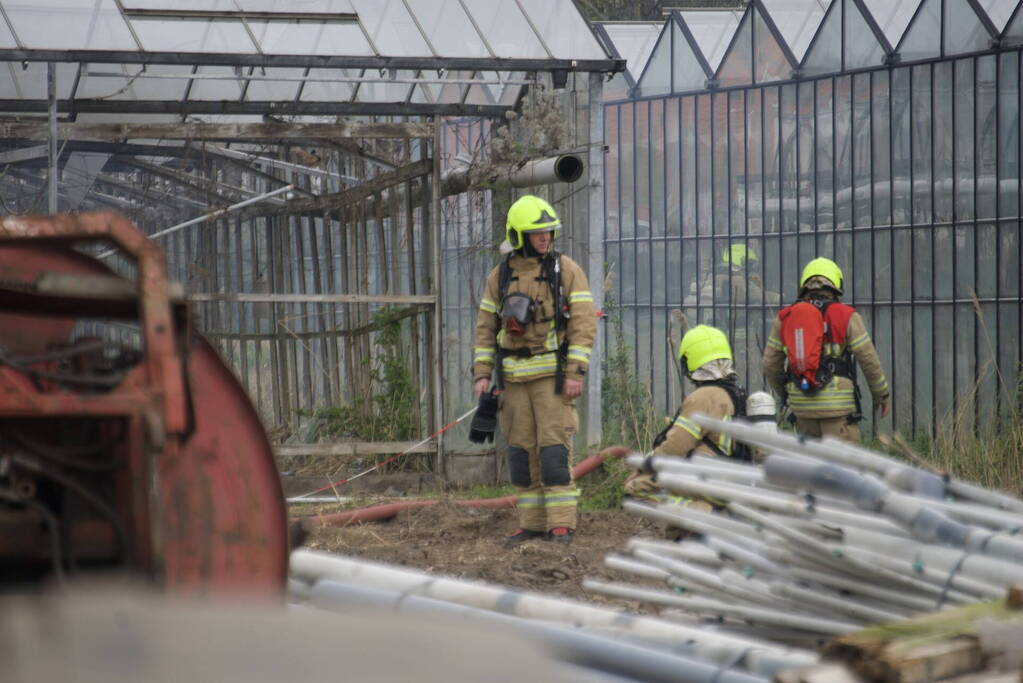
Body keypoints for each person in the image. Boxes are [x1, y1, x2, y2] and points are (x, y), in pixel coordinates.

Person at [472, 195, 596, 545]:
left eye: (548, 232)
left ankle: (561, 524)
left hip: (551, 380)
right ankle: (532, 523)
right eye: (537, 232)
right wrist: (483, 374)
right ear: (519, 235)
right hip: (512, 381)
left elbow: (584, 324)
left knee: (554, 452)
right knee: (522, 455)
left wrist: (575, 372)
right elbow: (485, 327)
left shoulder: (565, 270)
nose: (545, 238)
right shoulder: (500, 276)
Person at [761, 257, 889, 444]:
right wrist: (881, 394)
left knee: (810, 468)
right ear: (835, 284)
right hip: (838, 410)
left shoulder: (786, 317)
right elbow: (868, 359)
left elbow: (770, 364)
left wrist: (787, 393)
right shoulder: (846, 316)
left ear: (805, 285)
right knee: (844, 470)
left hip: (802, 407)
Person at [624, 325, 750, 503]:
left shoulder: (703, 398)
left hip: (711, 483)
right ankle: (686, 528)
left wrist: (644, 469)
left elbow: (676, 447)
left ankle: (699, 520)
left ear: (690, 360)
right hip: (735, 480)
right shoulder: (737, 394)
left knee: (636, 489)